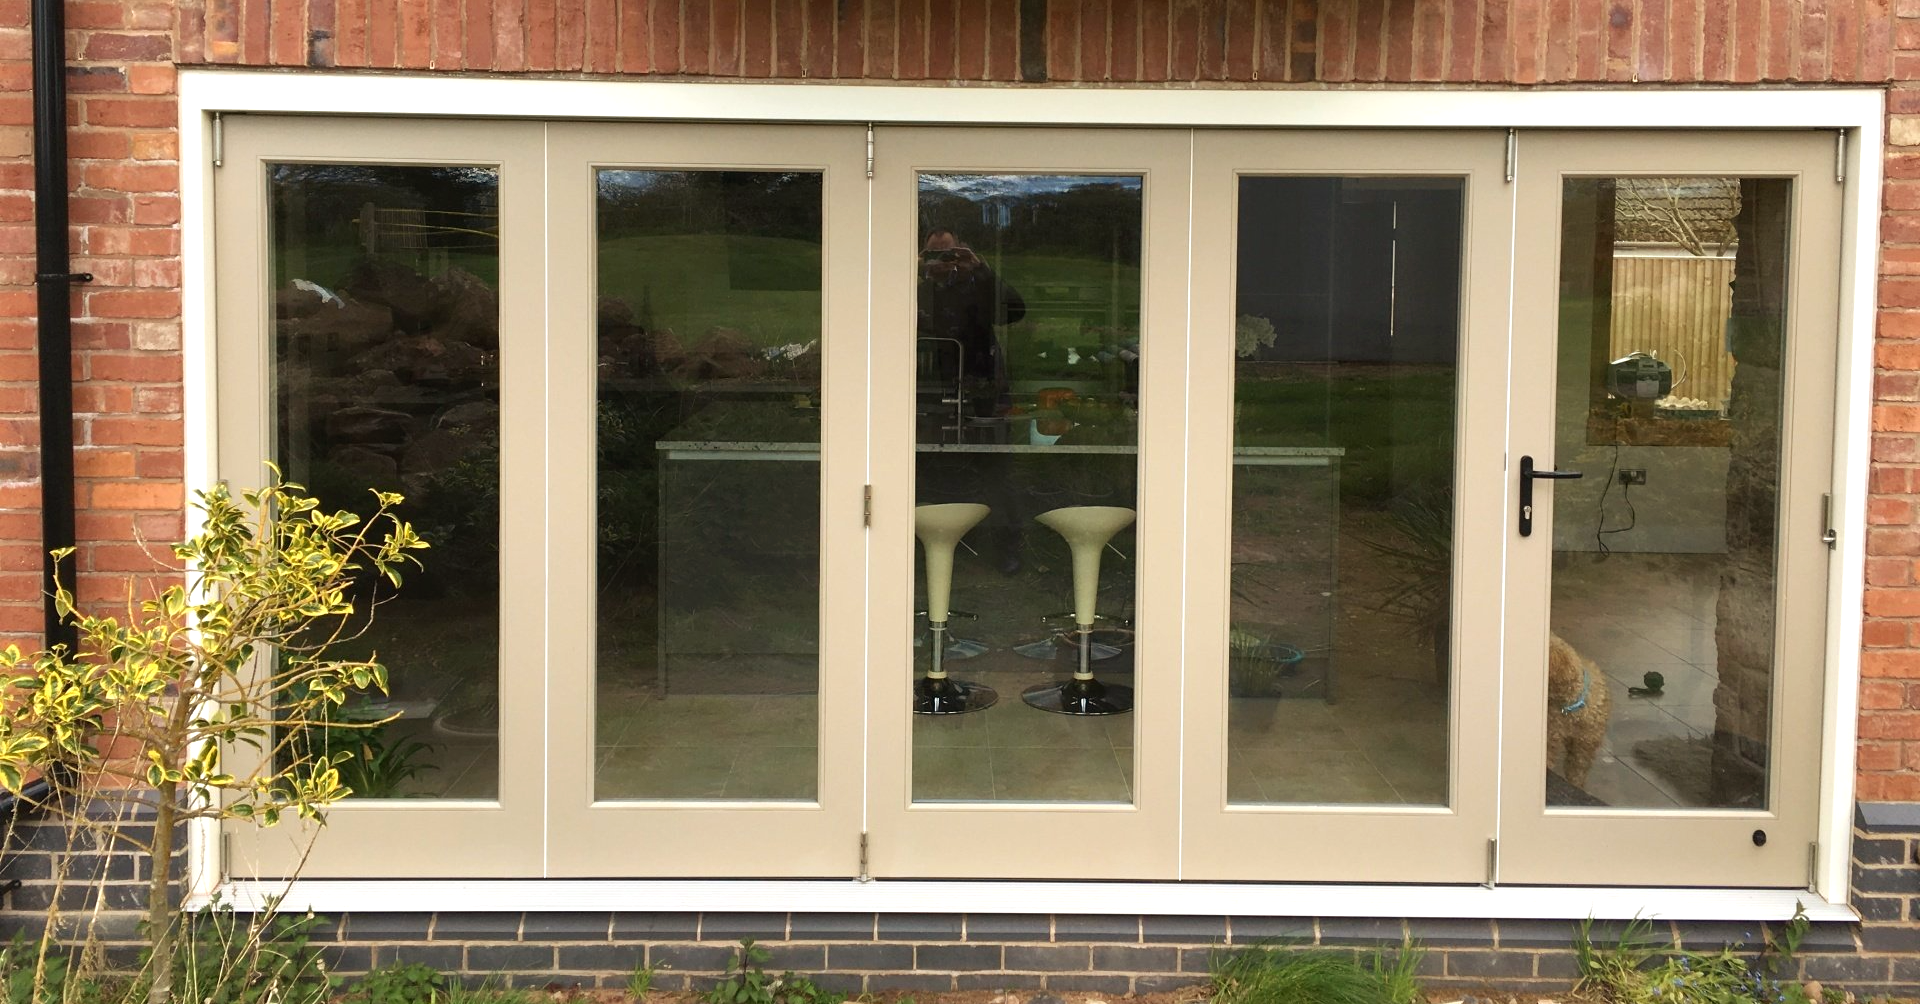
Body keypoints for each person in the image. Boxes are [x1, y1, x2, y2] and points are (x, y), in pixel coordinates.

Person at [916, 228, 1026, 426]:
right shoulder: (914, 291)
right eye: (934, 255)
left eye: (948, 254)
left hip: (981, 388)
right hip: (929, 387)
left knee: (986, 450)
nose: (941, 260)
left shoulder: (977, 287)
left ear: (960, 253)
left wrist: (980, 270)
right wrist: (909, 271)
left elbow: (1014, 311)